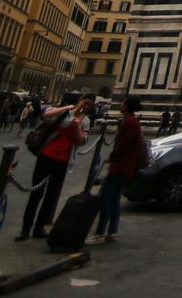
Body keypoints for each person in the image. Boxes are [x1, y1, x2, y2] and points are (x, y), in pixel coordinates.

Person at [17, 93, 94, 242]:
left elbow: (81, 141)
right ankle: (25, 229)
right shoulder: (65, 112)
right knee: (36, 194)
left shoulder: (85, 121)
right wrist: (68, 108)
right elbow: (46, 114)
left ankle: (39, 227)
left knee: (51, 196)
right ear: (80, 101)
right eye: (85, 102)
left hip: (63, 161)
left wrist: (77, 125)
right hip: (46, 156)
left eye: (89, 105)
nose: (86, 106)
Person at [89, 95, 144, 245]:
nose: (121, 104)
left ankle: (100, 233)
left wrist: (112, 157)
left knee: (106, 198)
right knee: (114, 199)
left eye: (123, 103)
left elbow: (124, 145)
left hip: (121, 166)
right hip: (125, 166)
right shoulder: (133, 122)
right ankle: (112, 231)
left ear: (127, 106)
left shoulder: (130, 123)